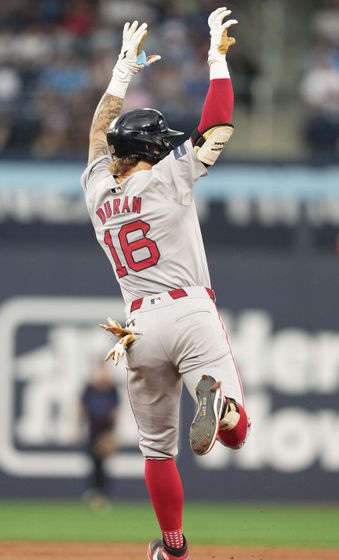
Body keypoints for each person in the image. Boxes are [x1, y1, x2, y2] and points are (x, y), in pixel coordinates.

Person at [80, 9, 250, 560]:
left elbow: (96, 138)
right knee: (238, 435)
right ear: (153, 150)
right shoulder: (168, 174)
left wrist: (122, 73)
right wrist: (217, 58)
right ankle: (222, 411)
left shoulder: (98, 193)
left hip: (139, 327)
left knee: (158, 453)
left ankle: (172, 548)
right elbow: (218, 125)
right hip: (190, 310)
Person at [80, 361, 120, 509]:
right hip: (93, 432)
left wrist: (112, 435)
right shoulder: (89, 389)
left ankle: (104, 495)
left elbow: (116, 412)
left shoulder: (111, 390)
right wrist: (77, 429)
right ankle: (94, 493)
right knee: (94, 464)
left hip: (106, 433)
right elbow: (82, 410)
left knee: (103, 466)